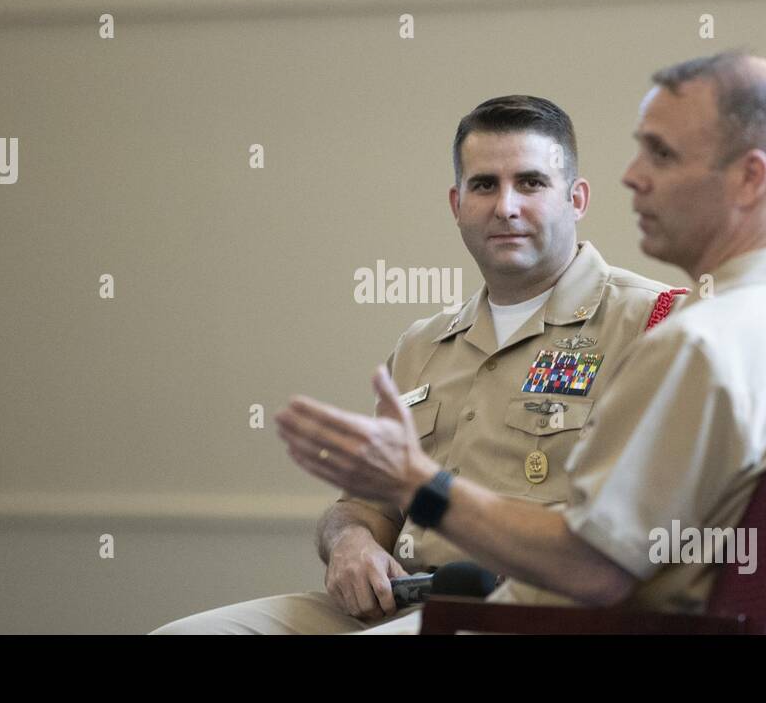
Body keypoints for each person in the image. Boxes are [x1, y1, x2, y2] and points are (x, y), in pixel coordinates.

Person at [275, 51, 766, 632]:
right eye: (484, 185)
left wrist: (417, 481)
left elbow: (590, 570)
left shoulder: (686, 340)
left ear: (749, 178)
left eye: (661, 153)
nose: (632, 175)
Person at [151, 95, 684, 634]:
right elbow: (365, 506)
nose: (506, 206)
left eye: (530, 182)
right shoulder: (421, 346)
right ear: (456, 204)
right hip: (402, 602)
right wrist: (350, 542)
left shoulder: (652, 323)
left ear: (577, 198)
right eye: (484, 185)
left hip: (541, 612)